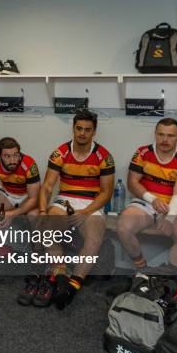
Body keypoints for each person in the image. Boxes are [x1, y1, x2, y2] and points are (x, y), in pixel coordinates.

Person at [34, 111, 115, 309]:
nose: (82, 133)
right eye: (79, 128)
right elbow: (46, 187)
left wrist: (86, 212)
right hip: (65, 200)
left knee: (94, 237)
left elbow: (106, 193)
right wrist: (43, 211)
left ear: (94, 132)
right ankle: (60, 275)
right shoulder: (60, 153)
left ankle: (73, 285)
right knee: (47, 228)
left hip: (91, 203)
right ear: (73, 129)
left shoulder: (104, 156)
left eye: (87, 130)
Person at [117, 118, 177, 275]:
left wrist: (170, 219)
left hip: (172, 206)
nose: (165, 140)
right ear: (155, 134)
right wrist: (153, 200)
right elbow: (132, 183)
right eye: (161, 134)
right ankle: (142, 268)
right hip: (145, 202)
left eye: (170, 136)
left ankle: (170, 276)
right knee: (123, 227)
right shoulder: (142, 153)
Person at [0, 137, 40, 229]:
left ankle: (38, 243)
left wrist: (11, 214)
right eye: (7, 156)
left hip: (26, 196)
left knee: (34, 215)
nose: (13, 161)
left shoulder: (29, 164)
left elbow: (33, 199)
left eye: (16, 155)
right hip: (7, 193)